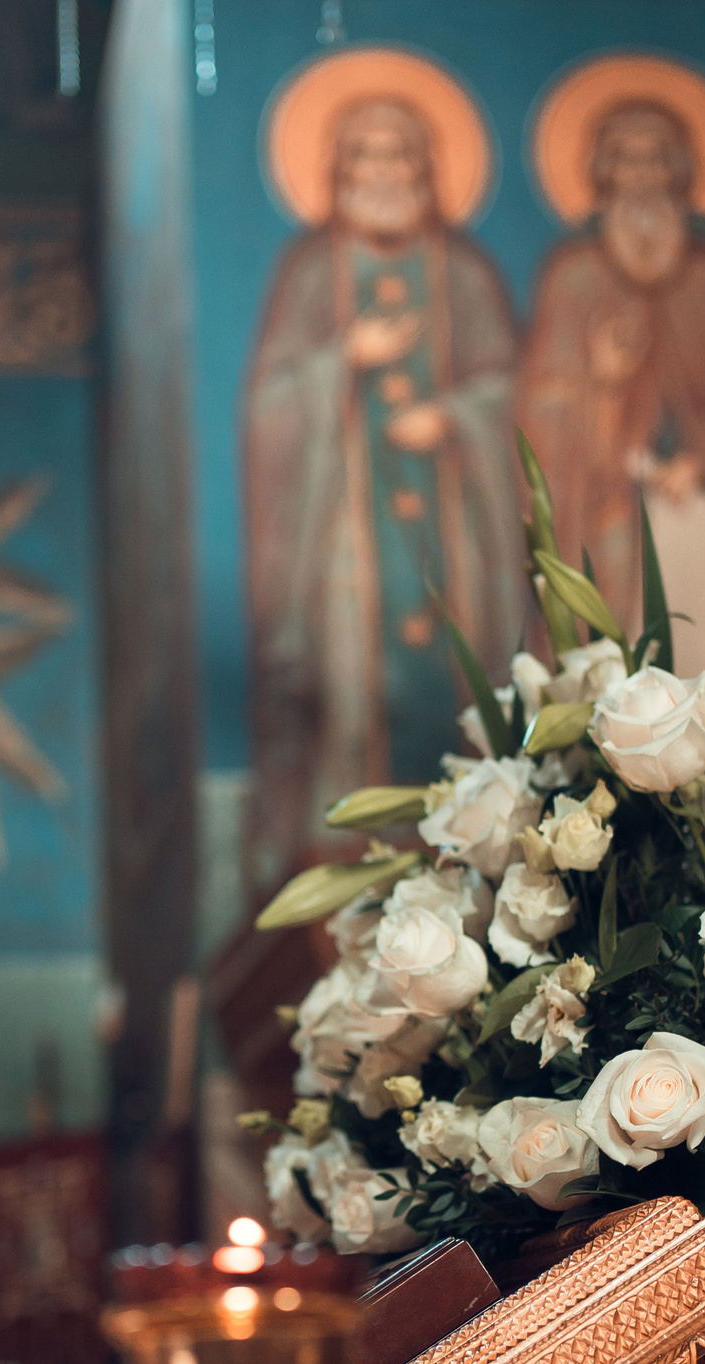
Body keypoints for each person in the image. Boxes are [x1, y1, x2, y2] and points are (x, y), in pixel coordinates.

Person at [241, 95, 523, 897]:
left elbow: (510, 387)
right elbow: (269, 404)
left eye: (400, 157)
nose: (384, 173)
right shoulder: (308, 274)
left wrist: (456, 418)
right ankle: (345, 855)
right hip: (344, 533)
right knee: (349, 684)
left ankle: (473, 859)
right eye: (365, 157)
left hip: (451, 530)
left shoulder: (464, 277)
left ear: (425, 172)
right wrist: (342, 360)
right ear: (340, 173)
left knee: (462, 689)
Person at [516, 100, 705, 759]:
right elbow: (543, 412)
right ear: (603, 174)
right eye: (626, 159)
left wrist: (704, 459)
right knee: (609, 673)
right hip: (605, 523)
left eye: (658, 159)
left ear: (683, 172)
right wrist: (602, 381)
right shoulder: (573, 279)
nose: (643, 175)